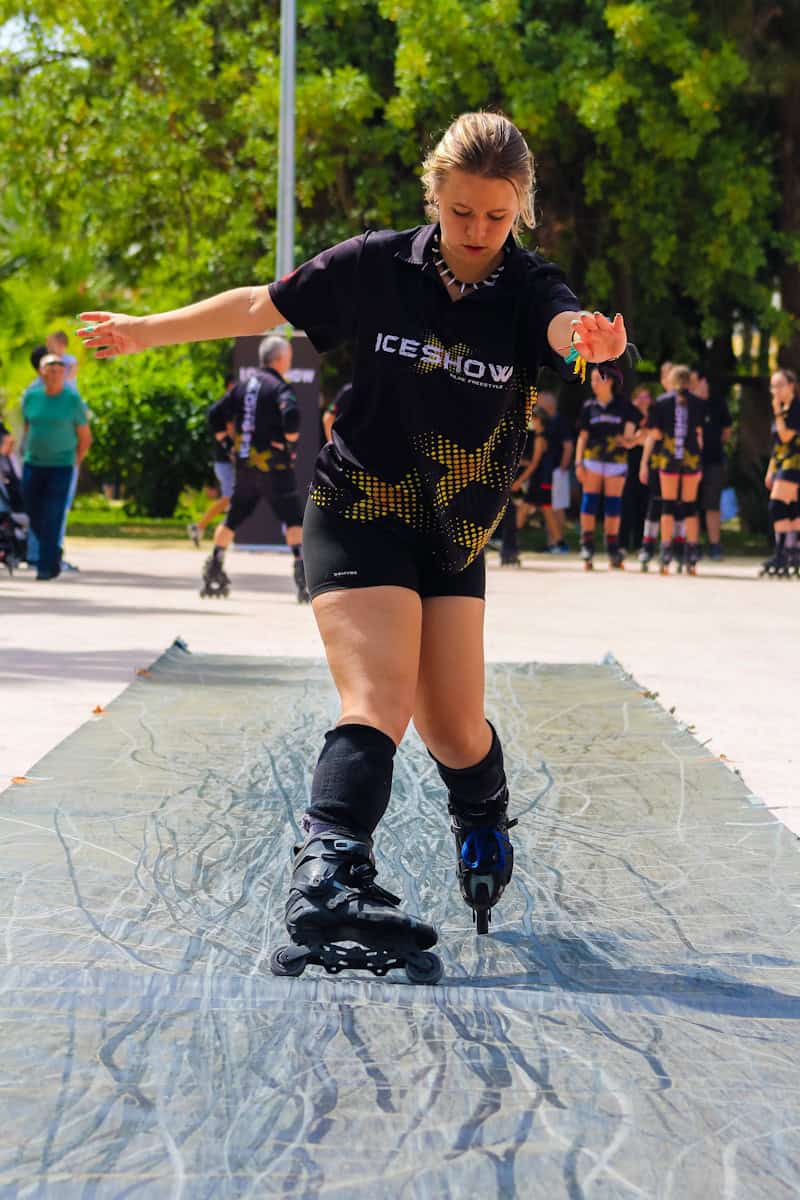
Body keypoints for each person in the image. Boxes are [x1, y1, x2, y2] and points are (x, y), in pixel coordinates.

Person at [78, 111, 628, 981]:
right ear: (433, 195)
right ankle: (329, 873)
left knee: (454, 728)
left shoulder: (530, 289)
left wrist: (590, 342)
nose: (476, 231)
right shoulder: (376, 263)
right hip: (359, 505)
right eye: (459, 211)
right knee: (379, 697)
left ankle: (482, 808)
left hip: (454, 531)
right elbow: (261, 305)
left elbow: (567, 332)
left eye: (496, 216)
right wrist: (144, 329)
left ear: (520, 207)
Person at [202, 337, 307, 601]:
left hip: (246, 466)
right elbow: (292, 416)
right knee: (293, 519)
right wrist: (290, 444)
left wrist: (228, 445)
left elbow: (214, 415)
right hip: (276, 467)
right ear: (280, 359)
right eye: (289, 357)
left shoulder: (242, 386)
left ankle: (214, 566)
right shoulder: (279, 387)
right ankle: (302, 574)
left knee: (233, 517)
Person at [21, 354, 91, 580]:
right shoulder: (31, 397)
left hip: (61, 465)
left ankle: (45, 566)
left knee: (53, 514)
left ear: (65, 374)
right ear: (41, 372)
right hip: (33, 463)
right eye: (50, 369)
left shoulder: (72, 399)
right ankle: (53, 552)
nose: (55, 374)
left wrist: (76, 460)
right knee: (32, 510)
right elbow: (27, 427)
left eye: (60, 370)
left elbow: (85, 436)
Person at [641, 365, 704, 575]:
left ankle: (665, 550)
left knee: (667, 505)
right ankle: (691, 551)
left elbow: (655, 433)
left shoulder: (661, 402)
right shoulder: (698, 403)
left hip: (669, 456)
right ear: (689, 382)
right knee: (689, 506)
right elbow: (699, 433)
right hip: (691, 456)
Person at [575, 366, 636, 569]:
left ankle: (612, 548)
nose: (593, 384)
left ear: (608, 381)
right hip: (592, 460)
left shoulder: (622, 404)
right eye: (592, 380)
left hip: (616, 461)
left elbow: (640, 421)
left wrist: (630, 439)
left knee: (613, 505)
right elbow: (582, 437)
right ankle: (587, 546)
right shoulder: (589, 406)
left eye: (596, 379)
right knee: (590, 502)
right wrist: (578, 463)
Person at [188, 375, 237, 546]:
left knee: (233, 501)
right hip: (225, 462)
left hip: (231, 462)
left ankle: (208, 530)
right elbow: (227, 434)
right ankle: (199, 527)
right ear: (228, 386)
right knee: (229, 499)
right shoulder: (221, 409)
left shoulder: (235, 407)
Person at [689, 365, 733, 560]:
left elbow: (727, 431)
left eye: (693, 382)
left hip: (714, 461)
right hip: (692, 461)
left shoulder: (718, 402)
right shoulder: (689, 404)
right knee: (692, 503)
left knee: (712, 503)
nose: (690, 386)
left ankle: (715, 545)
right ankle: (693, 544)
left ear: (703, 381)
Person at [760, 368, 800, 577]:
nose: (775, 390)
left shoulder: (795, 408)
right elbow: (777, 446)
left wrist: (776, 411)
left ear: (791, 386)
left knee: (776, 505)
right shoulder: (783, 409)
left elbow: (786, 437)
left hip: (795, 463)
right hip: (783, 463)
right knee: (790, 508)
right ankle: (792, 552)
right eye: (772, 386)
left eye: (779, 385)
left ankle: (782, 553)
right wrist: (770, 471)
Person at [535, 389, 573, 552]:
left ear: (549, 404)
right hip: (546, 471)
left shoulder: (560, 421)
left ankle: (559, 542)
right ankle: (552, 542)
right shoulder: (544, 421)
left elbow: (568, 446)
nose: (536, 404)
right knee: (549, 507)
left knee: (557, 507)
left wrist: (562, 469)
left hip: (556, 471)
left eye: (539, 401)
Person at [620, 383, 652, 553]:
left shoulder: (654, 417)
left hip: (648, 465)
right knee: (628, 504)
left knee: (644, 505)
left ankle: (641, 544)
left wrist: (640, 438)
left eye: (646, 397)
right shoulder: (630, 415)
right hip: (630, 464)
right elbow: (627, 441)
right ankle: (623, 544)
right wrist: (639, 438)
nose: (642, 400)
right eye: (639, 397)